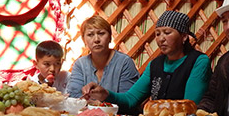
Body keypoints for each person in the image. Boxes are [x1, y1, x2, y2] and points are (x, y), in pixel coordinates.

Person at [83, 10, 211, 109]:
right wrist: (105, 94)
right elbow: (130, 99)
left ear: (183, 37)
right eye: (157, 34)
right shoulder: (155, 65)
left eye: (167, 33)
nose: (161, 39)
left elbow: (189, 106)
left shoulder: (198, 61)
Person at [66, 15, 139, 102]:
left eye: (101, 33)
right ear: (84, 40)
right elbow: (73, 97)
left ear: (110, 37)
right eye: (90, 35)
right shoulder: (80, 64)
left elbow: (128, 100)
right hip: (85, 114)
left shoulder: (124, 63)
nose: (96, 39)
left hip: (118, 115)